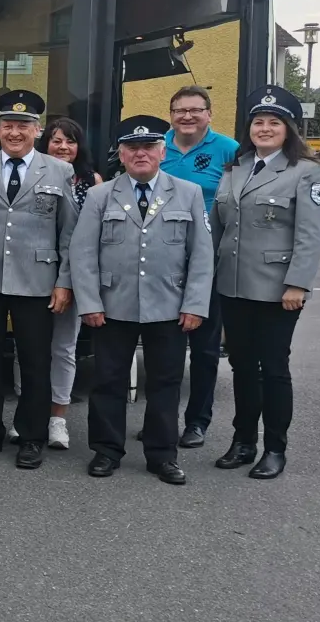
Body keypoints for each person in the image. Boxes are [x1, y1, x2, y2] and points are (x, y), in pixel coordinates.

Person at [72, 116, 213, 485]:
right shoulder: (101, 196)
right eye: (132, 148)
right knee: (108, 381)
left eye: (149, 147)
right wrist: (89, 302)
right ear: (120, 153)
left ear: (162, 151)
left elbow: (201, 255)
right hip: (112, 304)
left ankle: (162, 455)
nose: (140, 154)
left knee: (165, 383)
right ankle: (106, 450)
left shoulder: (189, 192)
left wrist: (195, 305)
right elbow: (82, 252)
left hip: (169, 304)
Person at [210, 86, 320, 480]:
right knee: (242, 366)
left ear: (288, 129)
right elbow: (220, 227)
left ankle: (275, 448)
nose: (264, 128)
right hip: (233, 285)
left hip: (279, 290)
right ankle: (243, 441)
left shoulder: (306, 172)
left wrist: (298, 284)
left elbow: (310, 236)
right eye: (258, 122)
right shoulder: (236, 167)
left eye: (273, 122)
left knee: (273, 368)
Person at [0, 90, 78, 468]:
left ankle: (32, 436)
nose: (15, 132)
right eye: (8, 125)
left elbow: (69, 233)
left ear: (38, 130)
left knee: (34, 361)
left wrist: (64, 282)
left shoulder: (59, 170)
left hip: (37, 281)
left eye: (23, 126)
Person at [160, 85, 240, 449]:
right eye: (179, 110)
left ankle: (197, 422)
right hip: (163, 263)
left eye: (195, 110)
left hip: (208, 263)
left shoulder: (230, 150)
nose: (187, 116)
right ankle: (161, 421)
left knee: (205, 350)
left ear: (209, 113)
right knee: (165, 350)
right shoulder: (157, 147)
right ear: (171, 115)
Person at [36, 116, 103, 450]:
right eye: (56, 140)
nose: (63, 147)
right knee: (29, 348)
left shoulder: (92, 182)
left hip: (72, 275)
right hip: (33, 275)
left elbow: (91, 236)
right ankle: (29, 413)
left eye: (70, 141)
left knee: (63, 347)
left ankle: (57, 418)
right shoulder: (32, 173)